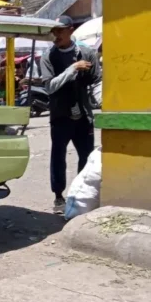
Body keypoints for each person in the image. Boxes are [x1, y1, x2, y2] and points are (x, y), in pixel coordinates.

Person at [41, 15, 101, 214]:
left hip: (83, 115)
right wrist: (73, 68)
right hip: (60, 115)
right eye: (54, 31)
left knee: (86, 157)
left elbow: (96, 81)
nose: (56, 35)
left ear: (71, 30)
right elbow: (50, 86)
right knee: (58, 156)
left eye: (60, 30)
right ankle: (58, 196)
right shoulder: (48, 57)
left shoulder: (87, 53)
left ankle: (81, 195)